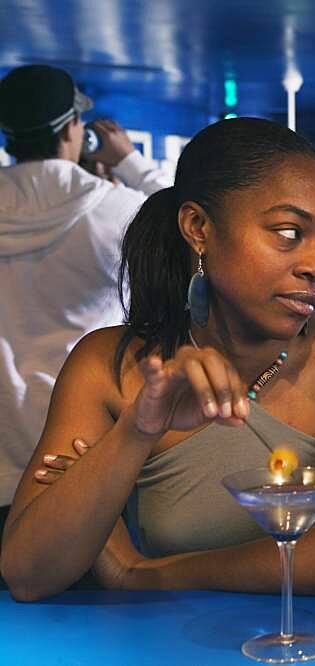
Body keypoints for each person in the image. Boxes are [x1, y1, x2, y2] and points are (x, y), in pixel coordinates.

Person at [0, 117, 315, 602]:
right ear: (198, 228)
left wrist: (142, 573)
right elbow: (29, 573)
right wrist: (136, 431)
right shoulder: (109, 365)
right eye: (287, 232)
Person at [0, 64, 172, 548]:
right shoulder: (112, 208)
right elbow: (190, 227)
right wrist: (131, 162)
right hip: (84, 446)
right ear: (72, 129)